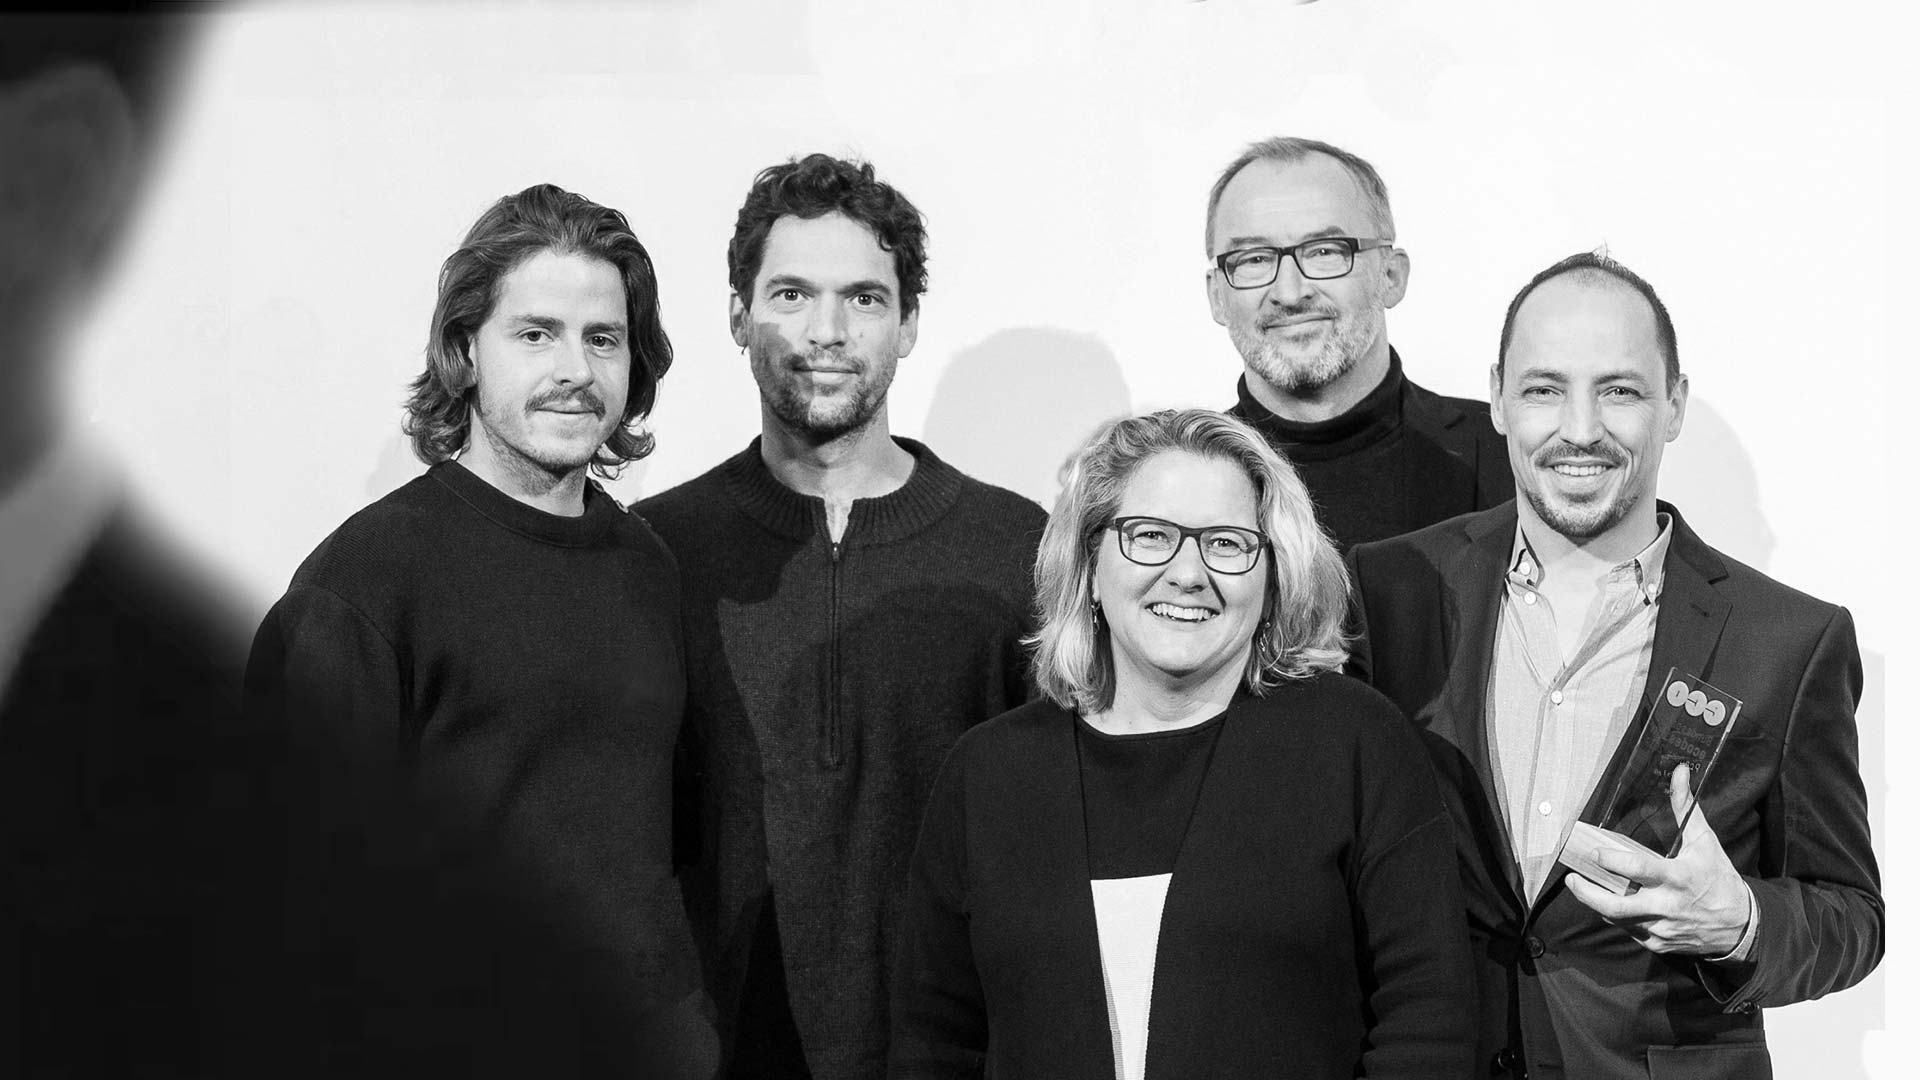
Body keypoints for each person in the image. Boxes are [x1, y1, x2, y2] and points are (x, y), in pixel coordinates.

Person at [1345, 253, 1883, 1079]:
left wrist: (1739, 922)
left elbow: (1851, 916)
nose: (1581, 428)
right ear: (1498, 399)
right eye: (1544, 389)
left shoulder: (1788, 639)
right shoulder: (1389, 590)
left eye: (1620, 391)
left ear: (1674, 406)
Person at [244, 183, 713, 1076]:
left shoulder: (647, 566)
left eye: (602, 338)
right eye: (535, 334)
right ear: (464, 350)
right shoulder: (365, 583)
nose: (575, 369)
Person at [890, 408, 1475, 1079]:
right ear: (1089, 562)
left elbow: (1427, 1018)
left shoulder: (1353, 742)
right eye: (1151, 536)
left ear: (1273, 573)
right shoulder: (989, 772)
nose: (1188, 573)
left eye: (1226, 543)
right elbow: (936, 1041)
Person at [636, 153, 1045, 1079]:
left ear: (907, 325)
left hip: (954, 1056)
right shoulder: (653, 553)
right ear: (737, 316)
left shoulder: (1018, 549)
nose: (827, 332)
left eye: (863, 298)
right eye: (791, 295)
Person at [1205, 136, 1512, 550]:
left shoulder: (1510, 458)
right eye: (1254, 259)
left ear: (1391, 276)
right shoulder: (1173, 484)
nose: (1290, 293)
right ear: (1217, 295)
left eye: (1324, 252)